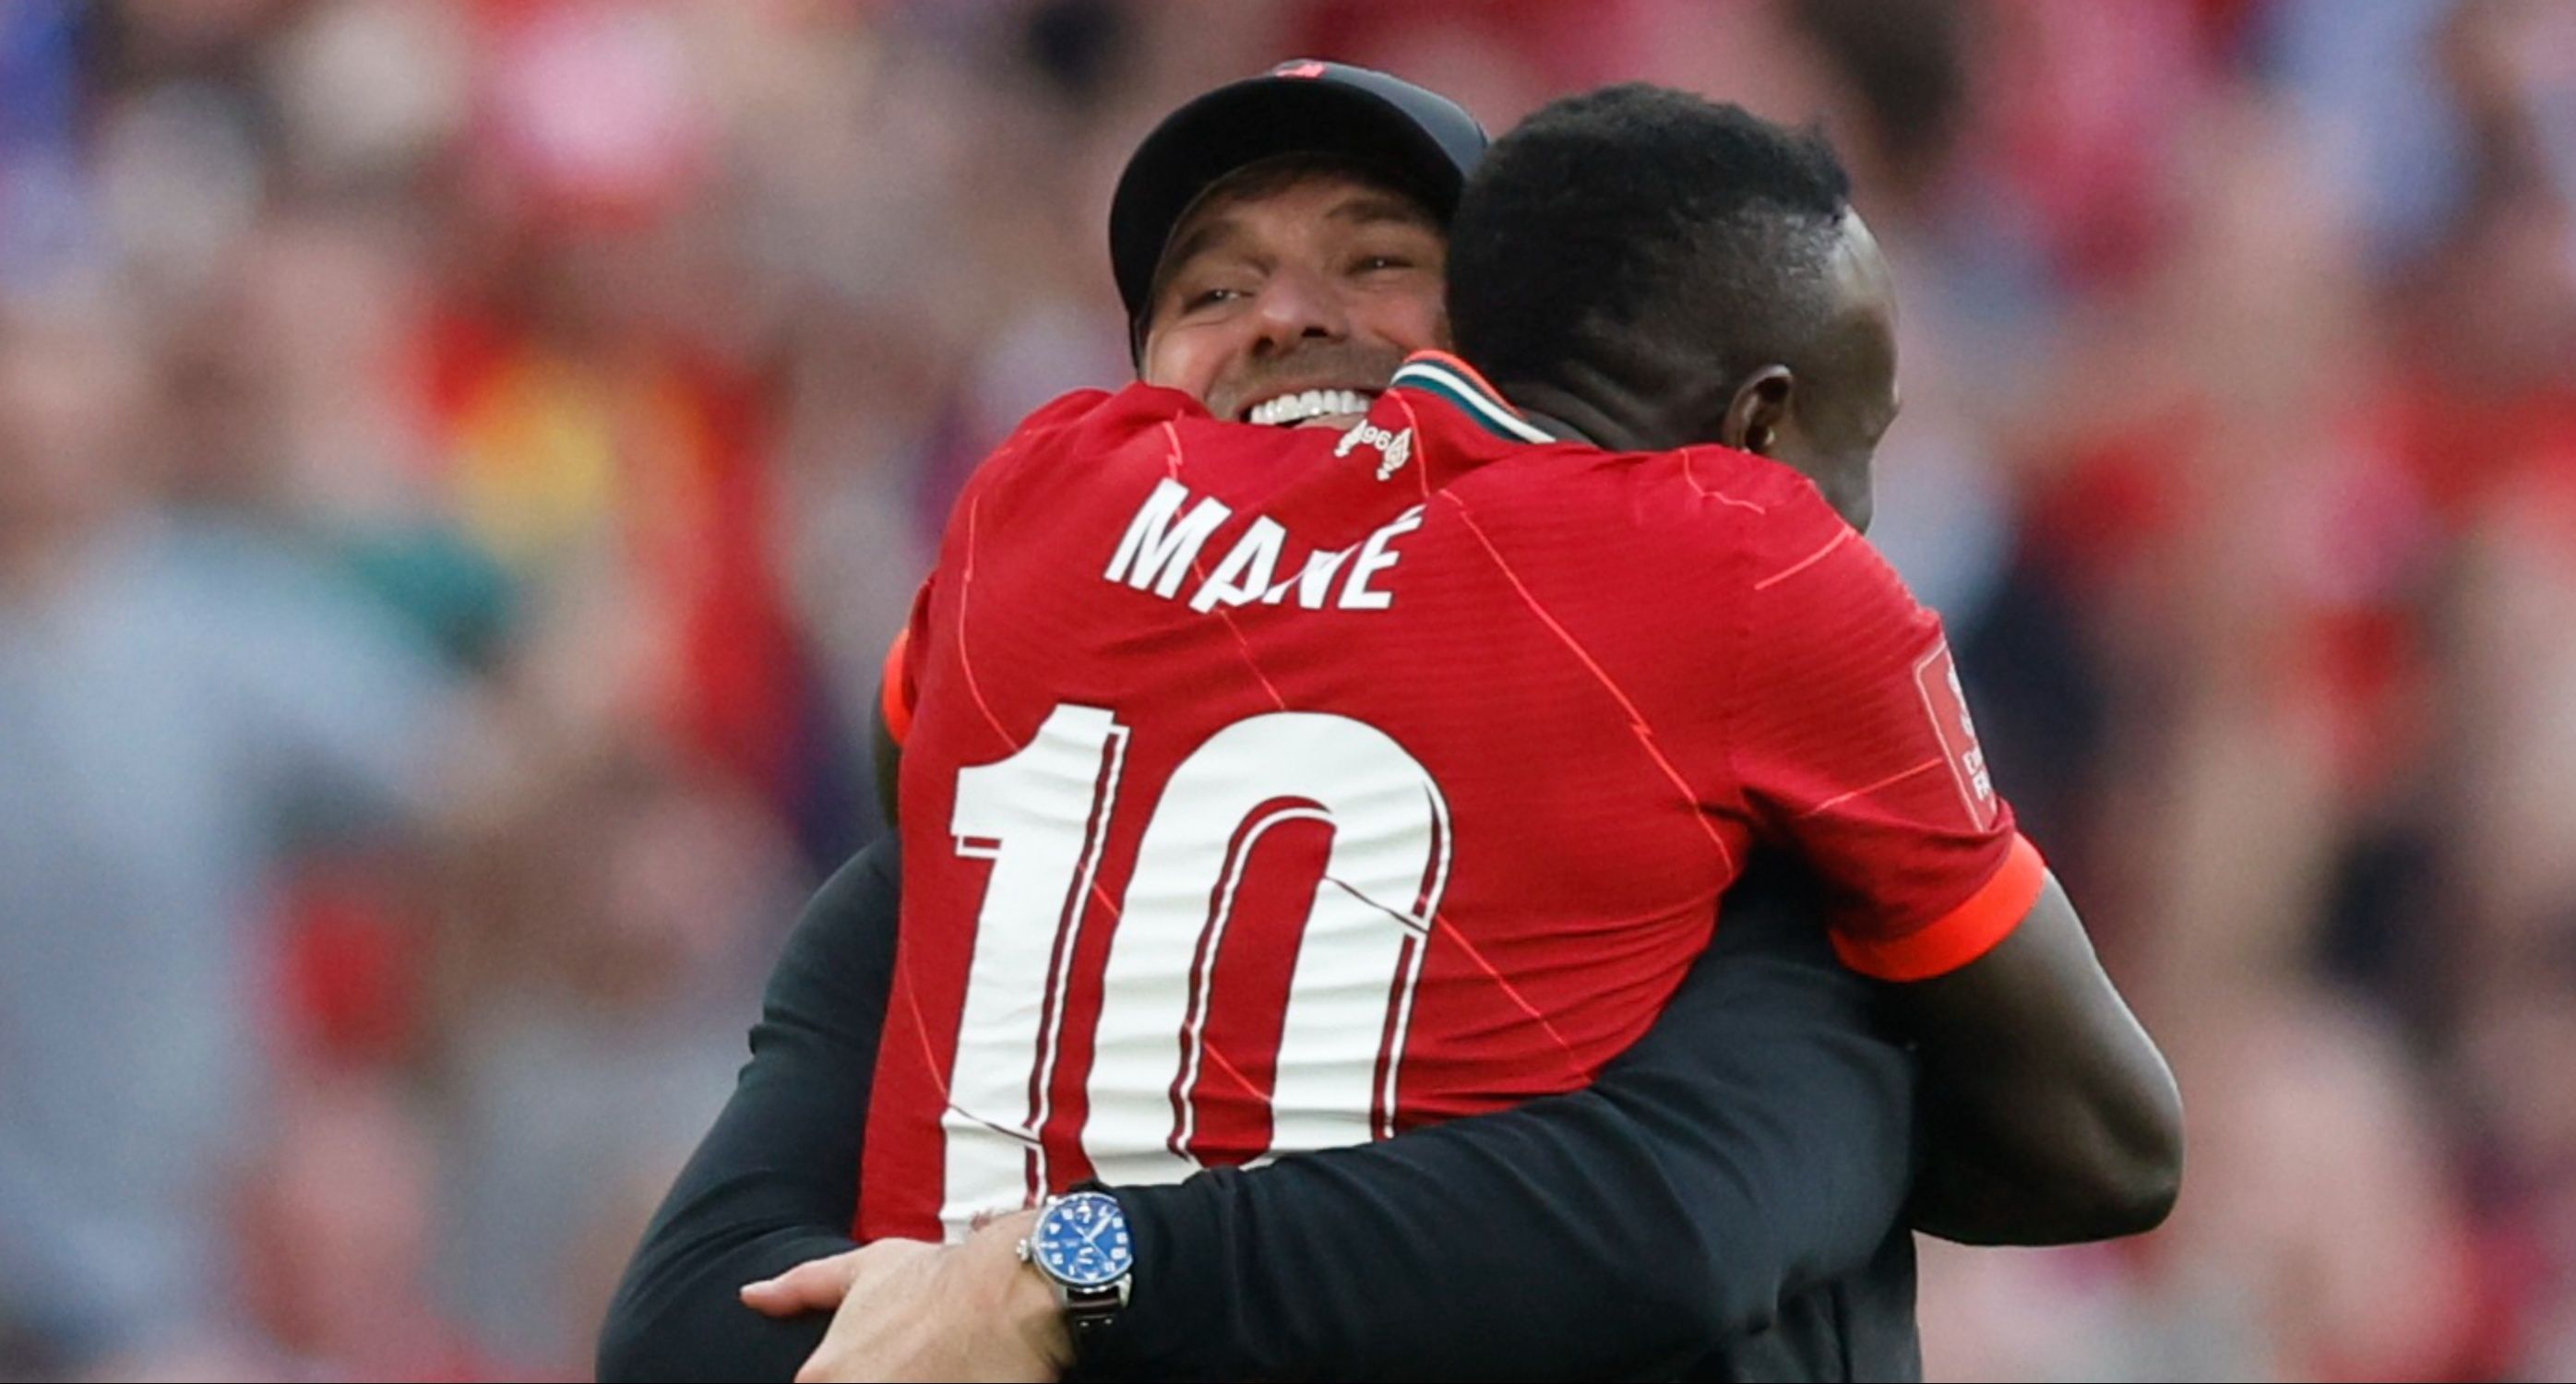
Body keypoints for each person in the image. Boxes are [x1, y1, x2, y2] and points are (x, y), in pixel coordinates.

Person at [601, 70, 2176, 1384]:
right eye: (1212, 288)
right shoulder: (1739, 581)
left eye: (1373, 265)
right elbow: (688, 1330)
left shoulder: (1031, 496)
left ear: (1518, 330)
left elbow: (1671, 1223)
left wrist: (1059, 1272)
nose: (1286, 318)